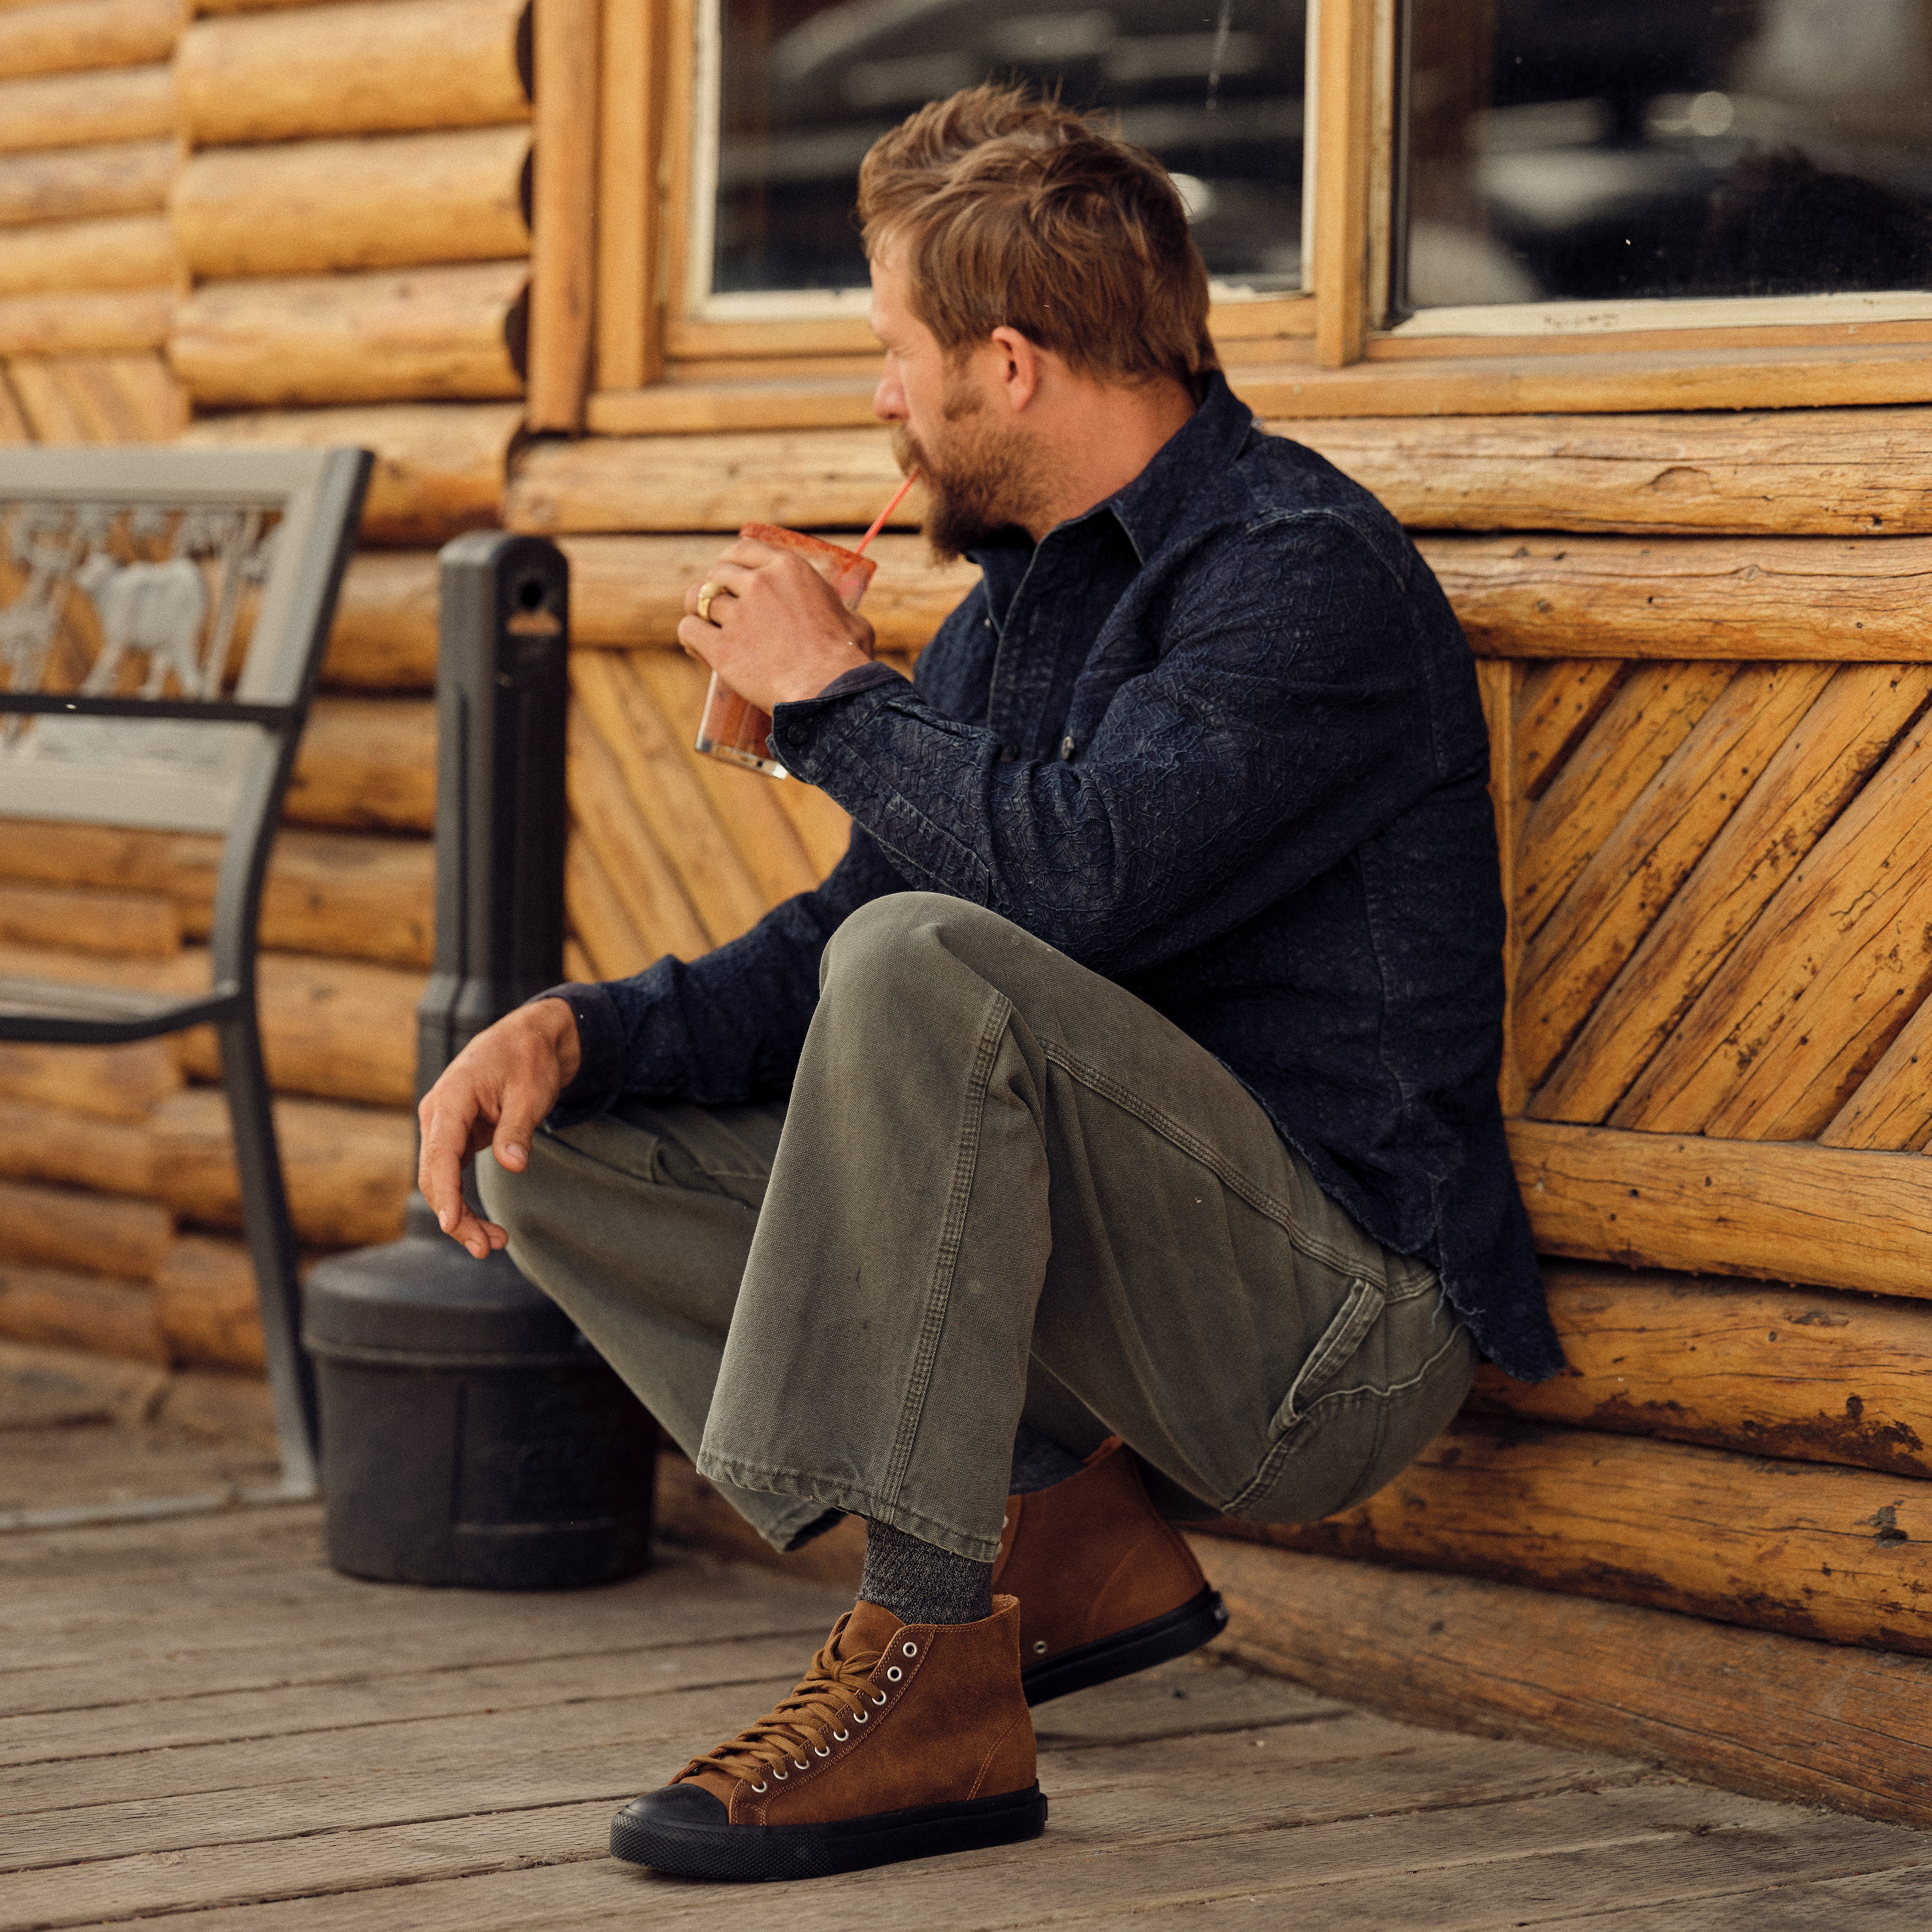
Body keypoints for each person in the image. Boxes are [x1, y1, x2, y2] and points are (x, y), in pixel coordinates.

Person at [417, 83, 1561, 1885]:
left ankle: (935, 1669)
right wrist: (583, 1028)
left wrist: (834, 701)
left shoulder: (1295, 576)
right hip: (1123, 1299)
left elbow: (1066, 887)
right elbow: (842, 954)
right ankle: (1058, 1527)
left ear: (1008, 363)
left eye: (894, 349)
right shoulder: (1023, 597)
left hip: (1332, 1337)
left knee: (929, 960)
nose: (881, 395)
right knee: (554, 1150)